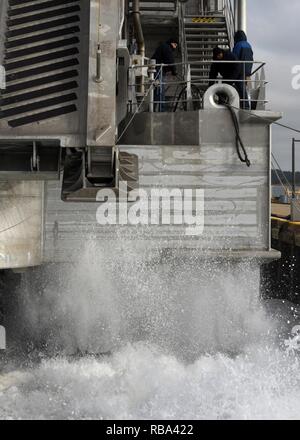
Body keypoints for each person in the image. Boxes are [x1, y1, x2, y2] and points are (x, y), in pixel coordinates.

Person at [152, 38, 179, 111]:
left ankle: (155, 108)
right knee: (160, 90)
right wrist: (174, 71)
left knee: (157, 89)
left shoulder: (164, 46)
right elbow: (170, 60)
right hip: (158, 70)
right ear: (171, 43)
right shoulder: (167, 48)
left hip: (157, 69)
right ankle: (160, 109)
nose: (175, 47)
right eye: (175, 44)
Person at [233, 31, 254, 109]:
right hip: (247, 70)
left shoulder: (238, 45)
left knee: (240, 86)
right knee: (243, 87)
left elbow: (234, 57)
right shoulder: (248, 45)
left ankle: (245, 105)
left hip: (240, 69)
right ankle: (244, 104)